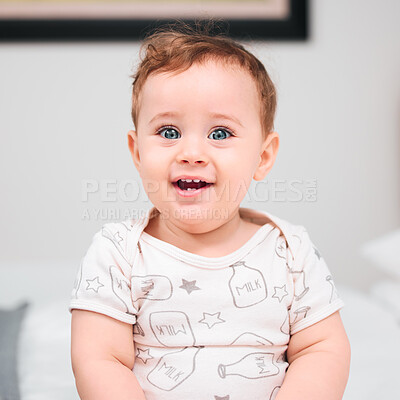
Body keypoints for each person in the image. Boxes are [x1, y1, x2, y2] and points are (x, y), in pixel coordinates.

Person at [69, 20, 350, 400]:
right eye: (169, 132)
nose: (191, 153)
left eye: (220, 133)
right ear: (137, 152)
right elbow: (99, 359)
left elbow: (322, 349)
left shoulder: (290, 251)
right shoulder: (118, 253)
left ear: (263, 157)